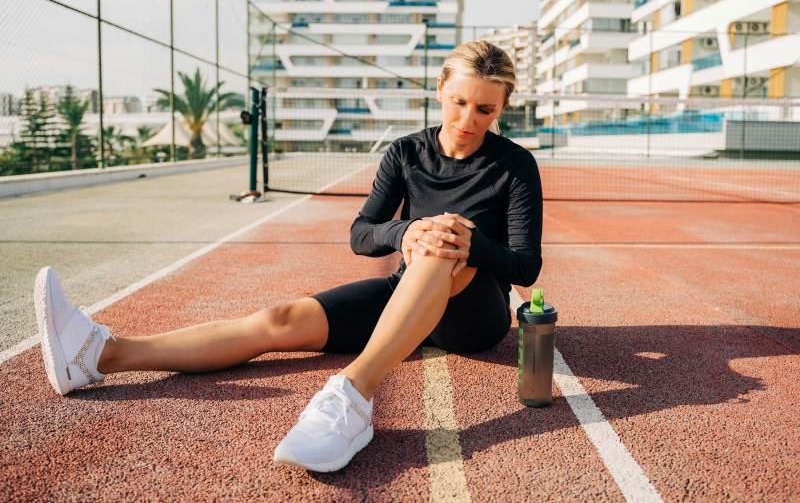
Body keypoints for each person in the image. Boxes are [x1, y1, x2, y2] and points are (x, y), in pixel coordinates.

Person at [33, 40, 543, 473]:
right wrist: (406, 231)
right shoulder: (405, 153)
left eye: (484, 110)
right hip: (407, 293)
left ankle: (353, 396)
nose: (468, 120)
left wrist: (466, 243)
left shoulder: (516, 166)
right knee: (280, 319)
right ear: (439, 91)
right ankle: (100, 355)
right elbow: (363, 234)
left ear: (501, 108)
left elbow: (525, 265)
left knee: (444, 242)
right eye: (458, 103)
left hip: (472, 316)